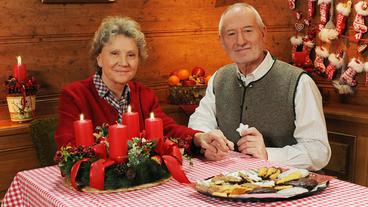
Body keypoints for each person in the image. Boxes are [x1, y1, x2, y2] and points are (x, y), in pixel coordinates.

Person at [188, 3, 331, 171]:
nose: (240, 41)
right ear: (221, 41)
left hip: (288, 188)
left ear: (263, 33)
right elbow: (200, 120)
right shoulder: (219, 78)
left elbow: (319, 152)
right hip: (231, 184)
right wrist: (206, 139)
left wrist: (269, 155)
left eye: (248, 31)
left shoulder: (299, 82)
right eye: (231, 34)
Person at [54, 16, 223, 154]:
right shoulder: (75, 95)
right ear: (99, 58)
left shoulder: (144, 95)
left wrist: (198, 137)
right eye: (114, 54)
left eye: (131, 55)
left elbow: (167, 130)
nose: (123, 62)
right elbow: (67, 147)